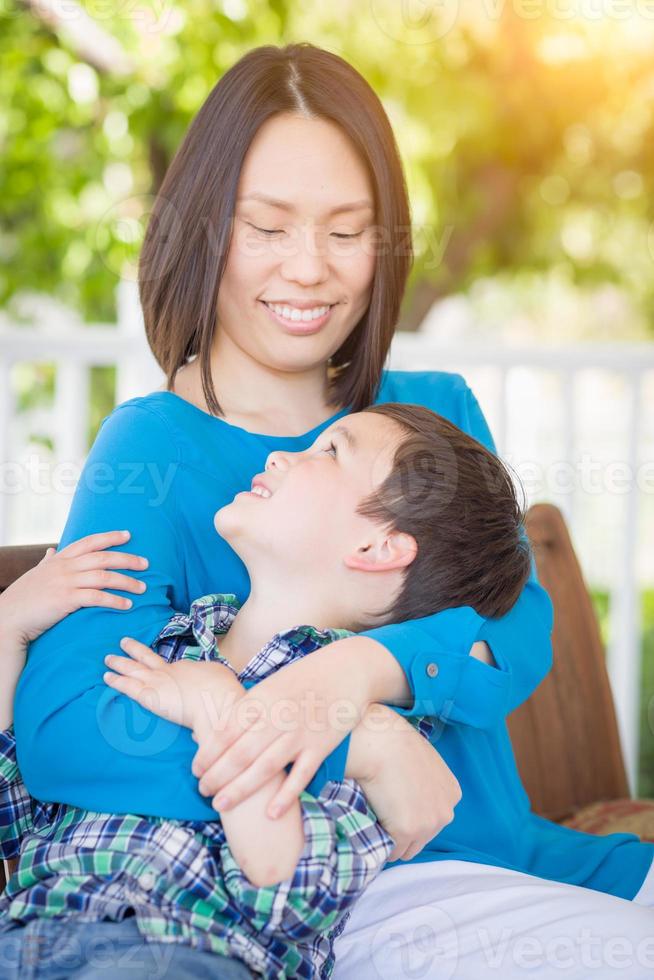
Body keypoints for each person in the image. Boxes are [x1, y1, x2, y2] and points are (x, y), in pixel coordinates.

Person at [6, 40, 652, 978]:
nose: (309, 271)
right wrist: (360, 746)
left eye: (347, 232)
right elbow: (70, 727)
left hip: (509, 865)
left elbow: (518, 638)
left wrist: (365, 665)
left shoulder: (429, 410)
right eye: (267, 228)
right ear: (202, 230)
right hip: (343, 908)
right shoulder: (151, 450)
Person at [0, 403, 530, 977]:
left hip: (195, 955)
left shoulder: (372, 723)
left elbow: (285, 893)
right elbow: (17, 806)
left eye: (330, 451)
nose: (279, 455)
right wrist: (9, 622)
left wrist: (220, 711)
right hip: (29, 935)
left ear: (377, 548)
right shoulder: (167, 644)